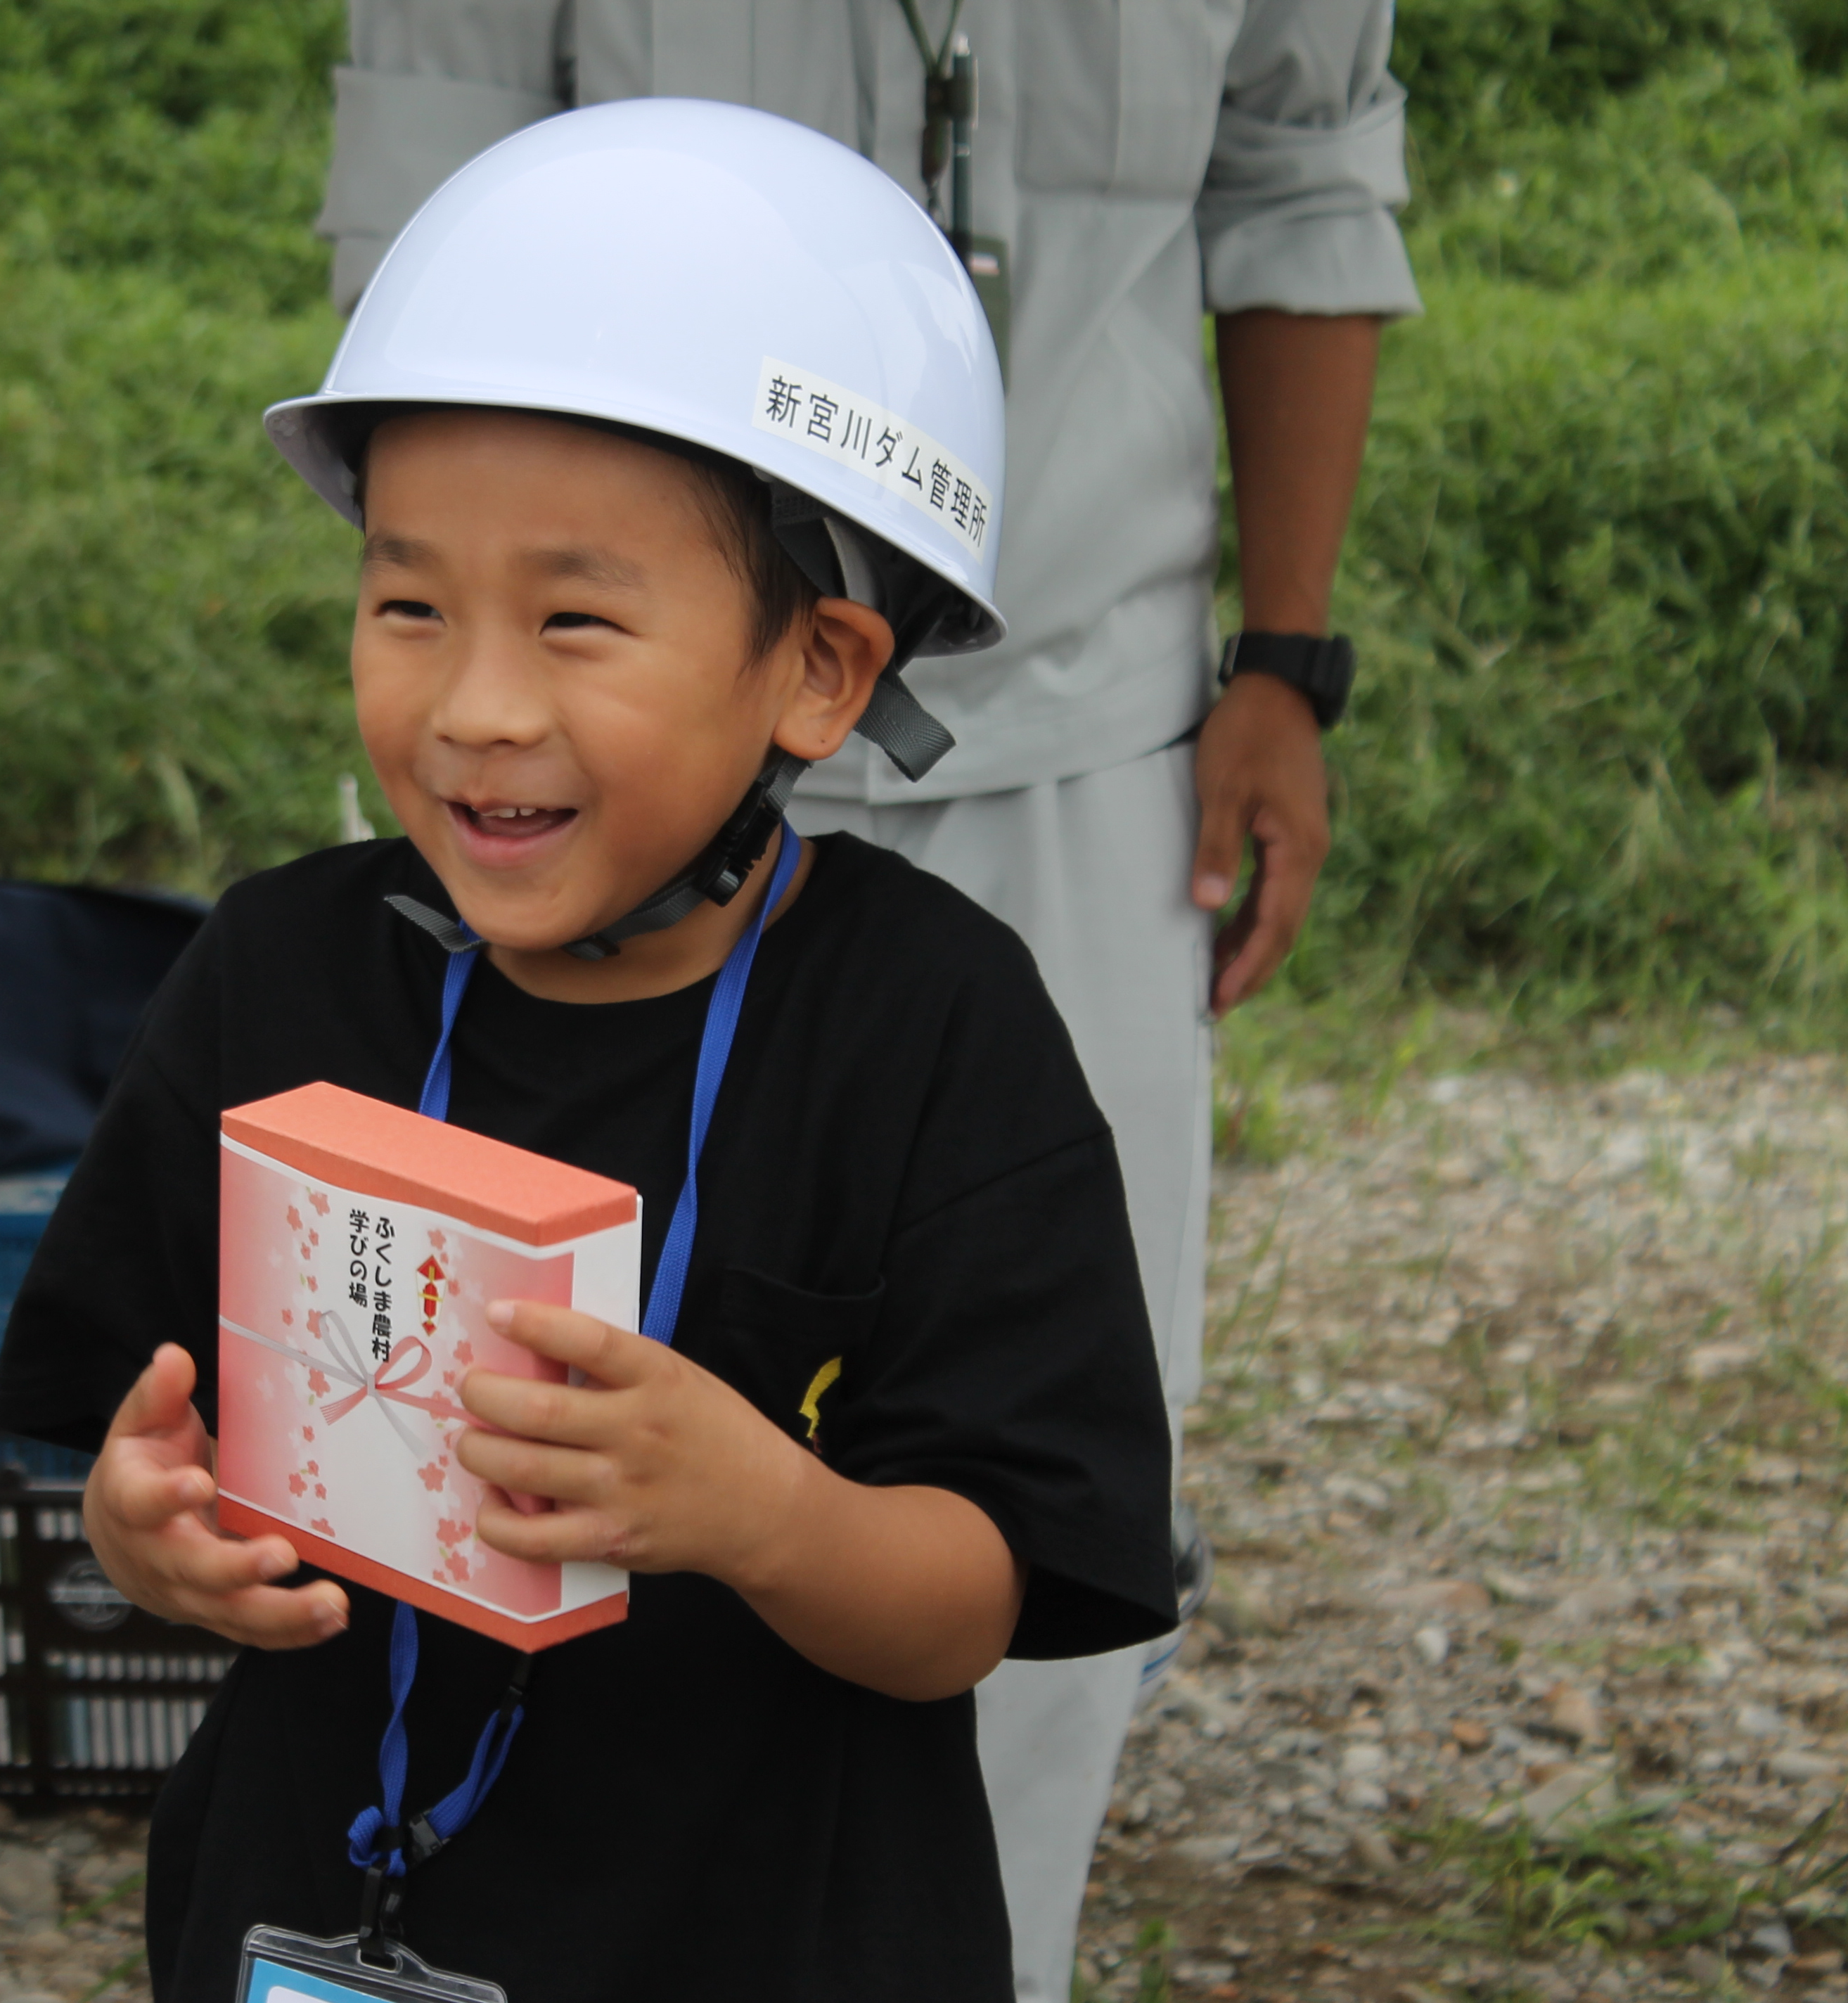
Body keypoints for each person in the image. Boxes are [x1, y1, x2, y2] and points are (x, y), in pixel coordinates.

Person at [0, 101, 1172, 2003]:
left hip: (773, 1939)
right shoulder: (278, 971)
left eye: (575, 621)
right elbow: (155, 1431)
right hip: (311, 1909)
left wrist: (766, 1511)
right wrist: (151, 1540)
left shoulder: (932, 1033)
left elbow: (988, 1596)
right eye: (406, 605)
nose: (475, 707)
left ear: (820, 672)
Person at [317, 7, 1420, 1993]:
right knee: (474, 1439)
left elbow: (1301, 170)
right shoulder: (309, 930)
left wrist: (1287, 654)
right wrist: (504, 675)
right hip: (607, 742)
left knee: (1026, 1478)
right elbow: (425, 227)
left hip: (1085, 705)